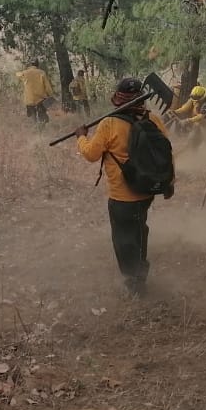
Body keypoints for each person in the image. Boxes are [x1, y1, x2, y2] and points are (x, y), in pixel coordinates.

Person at [74, 77, 175, 296]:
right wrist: (168, 183)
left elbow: (91, 154)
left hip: (122, 196)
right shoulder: (153, 120)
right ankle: (141, 274)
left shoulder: (109, 124)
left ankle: (134, 283)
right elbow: (167, 154)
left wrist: (81, 137)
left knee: (123, 240)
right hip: (147, 191)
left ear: (118, 98)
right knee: (139, 231)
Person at [16, 59, 55, 124]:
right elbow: (47, 87)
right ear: (37, 64)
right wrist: (51, 95)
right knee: (42, 116)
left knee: (32, 117)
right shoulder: (42, 73)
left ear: (30, 65)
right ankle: (41, 129)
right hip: (40, 99)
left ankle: (34, 127)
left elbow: (17, 74)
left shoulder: (25, 73)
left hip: (29, 100)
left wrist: (25, 70)